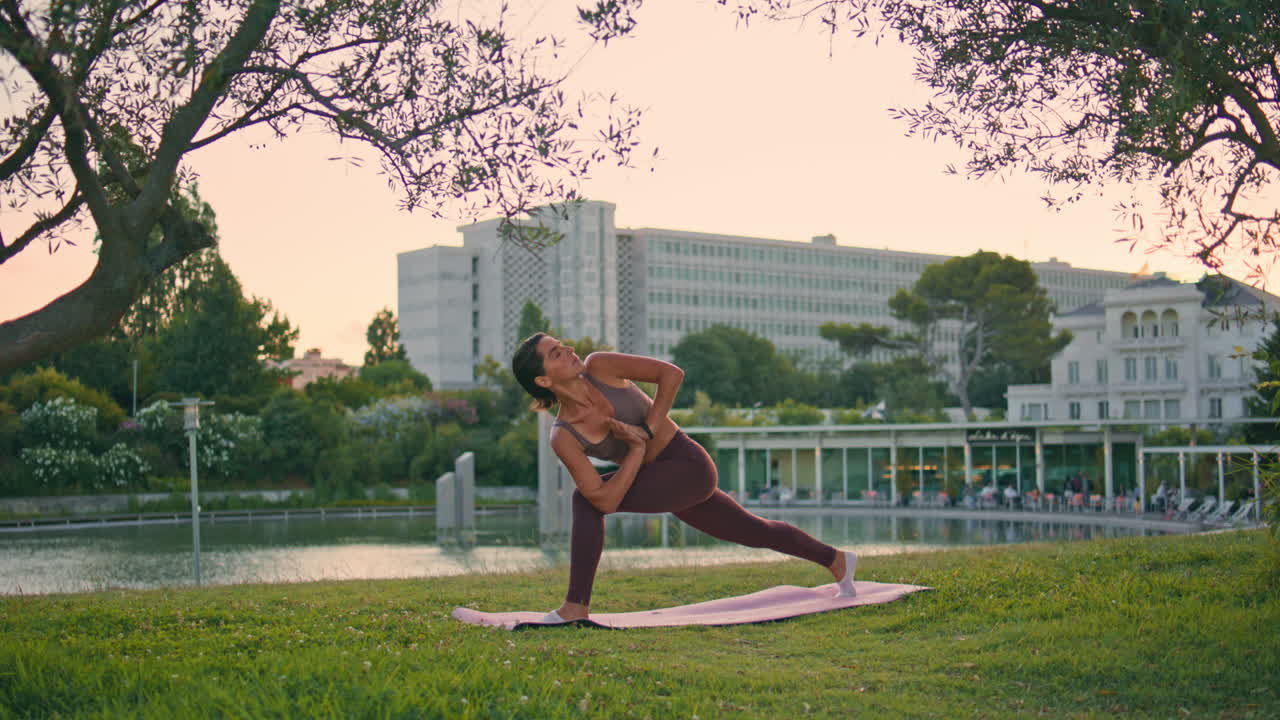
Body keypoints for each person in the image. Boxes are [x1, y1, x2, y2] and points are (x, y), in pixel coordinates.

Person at [511, 333, 857, 623]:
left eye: (563, 345)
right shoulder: (564, 436)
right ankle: (837, 560)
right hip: (657, 479)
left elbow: (671, 374)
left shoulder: (600, 366)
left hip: (686, 465)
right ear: (543, 380)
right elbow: (606, 500)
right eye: (556, 353)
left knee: (582, 500)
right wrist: (636, 449)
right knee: (754, 531)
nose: (569, 350)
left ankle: (575, 607)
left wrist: (646, 430)